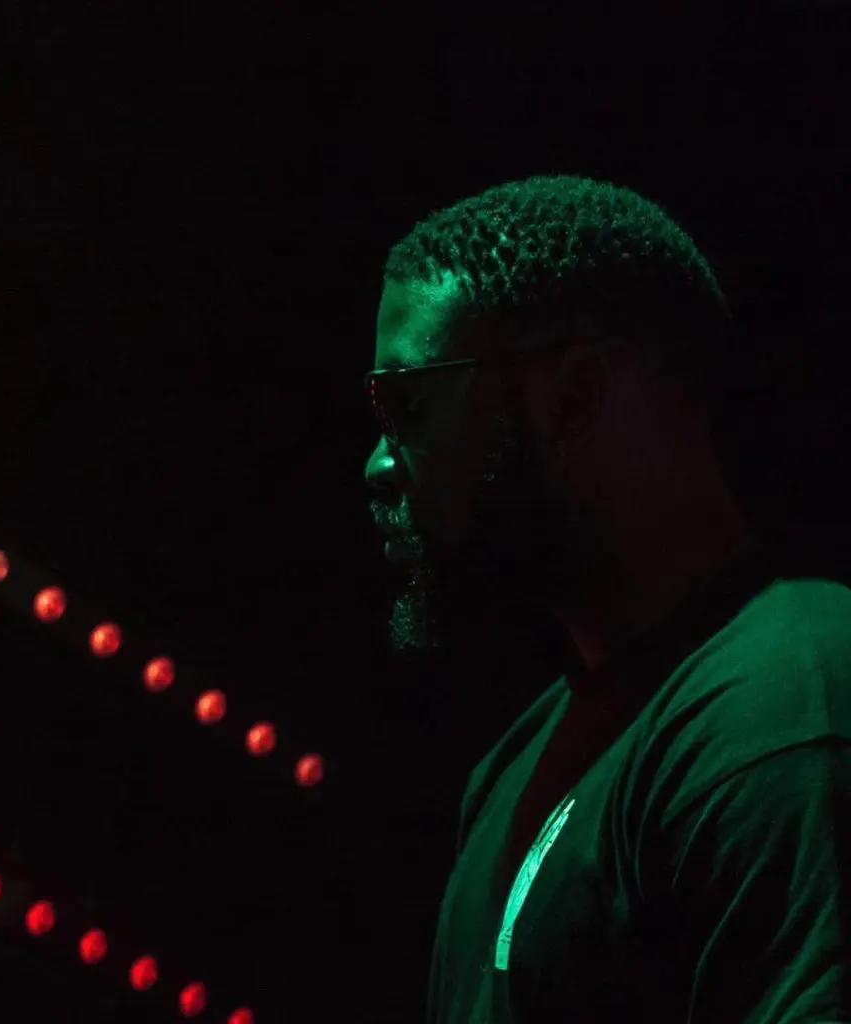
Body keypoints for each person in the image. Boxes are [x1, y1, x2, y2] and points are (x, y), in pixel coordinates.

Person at [363, 174, 851, 1021]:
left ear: (574, 396)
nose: (377, 465)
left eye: (408, 405)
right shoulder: (513, 768)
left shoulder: (784, 709)